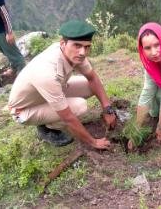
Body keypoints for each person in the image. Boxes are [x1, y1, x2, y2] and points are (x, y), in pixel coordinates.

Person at [8, 20, 117, 149]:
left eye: (87, 47)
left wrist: (107, 109)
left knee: (88, 85)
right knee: (79, 106)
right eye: (77, 45)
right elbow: (68, 118)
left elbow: (92, 78)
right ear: (63, 44)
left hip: (48, 92)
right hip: (25, 109)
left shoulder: (74, 54)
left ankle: (50, 115)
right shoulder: (47, 72)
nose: (82, 52)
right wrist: (93, 142)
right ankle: (47, 127)